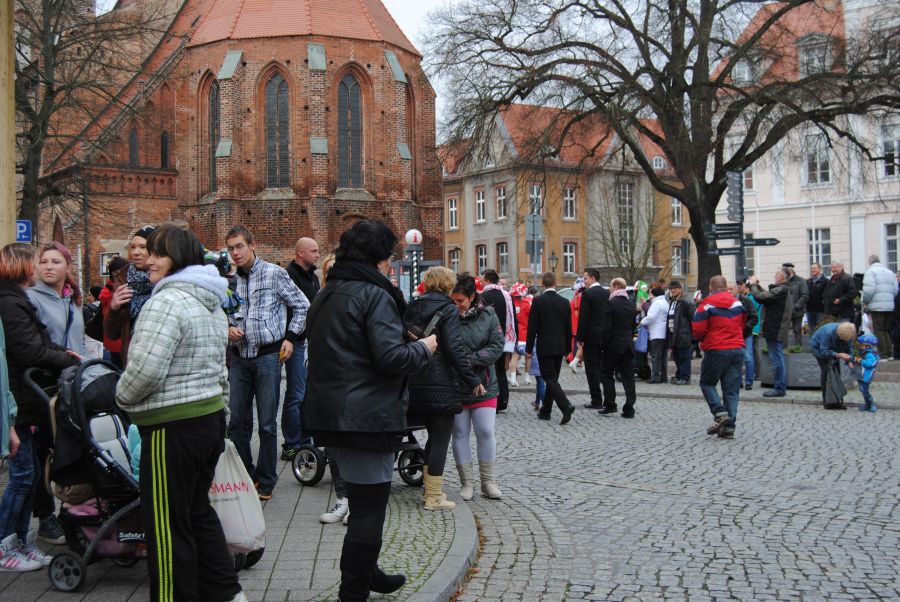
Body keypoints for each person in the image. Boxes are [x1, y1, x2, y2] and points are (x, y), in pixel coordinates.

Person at [303, 220, 437, 601]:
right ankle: (354, 590)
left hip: (332, 413)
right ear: (378, 258)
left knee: (363, 503)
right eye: (389, 256)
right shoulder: (374, 294)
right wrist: (424, 348)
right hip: (365, 417)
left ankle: (368, 572)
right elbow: (391, 358)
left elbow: (349, 348)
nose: (391, 263)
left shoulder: (328, 292)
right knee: (368, 510)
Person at [114, 227, 244, 602]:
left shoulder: (166, 301)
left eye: (158, 254)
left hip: (171, 427)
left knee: (167, 525)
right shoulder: (210, 301)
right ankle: (225, 593)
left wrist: (121, 398)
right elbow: (220, 371)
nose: (148, 260)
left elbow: (145, 371)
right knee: (196, 512)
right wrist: (221, 417)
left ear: (178, 259)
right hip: (207, 422)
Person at [0, 244, 79, 569]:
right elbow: (29, 350)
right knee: (22, 478)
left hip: (26, 400)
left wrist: (63, 354)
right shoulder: (11, 302)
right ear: (22, 266)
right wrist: (65, 359)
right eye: (36, 261)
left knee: (30, 477)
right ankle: (5, 545)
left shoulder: (16, 299)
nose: (39, 267)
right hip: (19, 401)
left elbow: (40, 342)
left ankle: (22, 541)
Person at [225, 225, 310, 501]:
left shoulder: (274, 273)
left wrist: (291, 338)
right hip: (240, 357)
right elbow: (223, 312)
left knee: (266, 424)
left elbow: (302, 305)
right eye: (231, 248)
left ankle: (266, 479)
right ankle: (246, 475)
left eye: (239, 246)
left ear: (252, 245)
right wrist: (228, 327)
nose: (235, 253)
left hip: (268, 356)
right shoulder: (230, 282)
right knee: (237, 422)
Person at [405, 267, 484, 510]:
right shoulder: (448, 309)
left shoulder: (413, 306)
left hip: (415, 378)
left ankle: (429, 490)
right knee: (440, 439)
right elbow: (453, 349)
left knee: (432, 436)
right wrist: (472, 380)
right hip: (440, 382)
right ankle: (433, 496)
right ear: (447, 284)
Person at [449, 275, 505, 500]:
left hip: (485, 383)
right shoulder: (448, 316)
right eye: (453, 300)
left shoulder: (488, 315)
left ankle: (488, 481)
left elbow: (497, 346)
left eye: (460, 301)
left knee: (485, 431)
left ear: (472, 297)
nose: (456, 305)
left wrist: (469, 359)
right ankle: (467, 482)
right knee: (460, 433)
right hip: (456, 384)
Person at [281, 237, 321, 461]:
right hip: (295, 341)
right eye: (313, 251)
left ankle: (306, 441)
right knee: (296, 394)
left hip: (310, 342)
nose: (317, 254)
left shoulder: (313, 278)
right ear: (300, 253)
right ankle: (291, 444)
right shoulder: (289, 276)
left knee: (307, 394)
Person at [692, 276, 747, 439]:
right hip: (737, 348)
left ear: (711, 287)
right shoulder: (737, 304)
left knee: (707, 383)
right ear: (725, 287)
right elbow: (742, 324)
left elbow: (698, 329)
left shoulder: (706, 304)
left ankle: (720, 412)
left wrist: (702, 340)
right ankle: (729, 428)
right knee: (731, 390)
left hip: (716, 348)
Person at [526, 272, 576, 425]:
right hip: (560, 346)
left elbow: (532, 327)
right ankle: (546, 411)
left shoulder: (538, 301)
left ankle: (565, 406)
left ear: (543, 284)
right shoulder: (564, 302)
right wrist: (568, 348)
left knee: (549, 378)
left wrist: (529, 348)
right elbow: (568, 327)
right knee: (552, 379)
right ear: (555, 283)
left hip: (545, 346)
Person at [105, 225, 157, 367]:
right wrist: (114, 308)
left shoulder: (165, 279)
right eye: (133, 247)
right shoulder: (123, 277)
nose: (136, 252)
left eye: (142, 247)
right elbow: (112, 333)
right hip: (132, 360)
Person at [27, 242, 85, 356]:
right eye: (43, 262)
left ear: (68, 267)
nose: (49, 267)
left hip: (75, 366)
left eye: (56, 262)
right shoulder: (30, 298)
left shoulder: (73, 300)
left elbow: (80, 343)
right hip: (48, 365)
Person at [749, 268, 794, 397]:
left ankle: (779, 388)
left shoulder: (782, 289)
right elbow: (766, 295)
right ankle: (779, 387)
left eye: (777, 274)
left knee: (777, 359)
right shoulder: (782, 289)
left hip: (776, 328)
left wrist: (753, 285)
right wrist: (757, 286)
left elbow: (761, 297)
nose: (775, 276)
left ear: (782, 277)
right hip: (775, 328)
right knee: (777, 358)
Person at [600, 278, 637, 418]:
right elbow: (633, 327)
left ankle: (610, 404)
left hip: (613, 345)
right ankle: (629, 408)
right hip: (628, 345)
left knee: (606, 373)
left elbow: (606, 328)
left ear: (616, 286)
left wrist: (603, 345)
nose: (609, 289)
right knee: (628, 377)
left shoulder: (610, 304)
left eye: (610, 286)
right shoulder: (631, 304)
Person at [480, 269, 514, 410]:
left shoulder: (482, 297)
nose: (481, 282)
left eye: (482, 280)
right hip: (505, 338)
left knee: (489, 370)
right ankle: (503, 400)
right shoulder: (507, 296)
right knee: (501, 371)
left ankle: (492, 400)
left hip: (487, 340)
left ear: (487, 280)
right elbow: (514, 318)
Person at [576, 268, 610, 410]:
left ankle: (596, 399)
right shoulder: (607, 293)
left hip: (591, 336)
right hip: (605, 335)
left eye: (585, 278)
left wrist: (580, 337)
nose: (584, 281)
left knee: (591, 369)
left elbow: (584, 318)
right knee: (604, 368)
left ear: (593, 278)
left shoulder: (588, 293)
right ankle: (608, 399)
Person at [810, 321, 856, 410]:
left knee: (836, 373)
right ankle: (827, 401)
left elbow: (849, 348)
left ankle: (836, 401)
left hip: (834, 350)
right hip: (819, 349)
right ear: (839, 336)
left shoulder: (850, 333)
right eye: (844, 339)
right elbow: (824, 351)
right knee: (826, 372)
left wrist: (850, 361)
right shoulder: (828, 333)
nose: (847, 340)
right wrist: (838, 355)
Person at [862, 255, 898, 360]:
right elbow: (895, 289)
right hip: (889, 305)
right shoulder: (890, 272)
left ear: (870, 262)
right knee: (886, 329)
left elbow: (869, 290)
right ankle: (890, 353)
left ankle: (883, 354)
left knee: (879, 330)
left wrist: (865, 301)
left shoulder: (870, 272)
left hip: (876, 305)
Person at [666, 281, 694, 385]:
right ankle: (679, 375)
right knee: (677, 356)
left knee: (684, 357)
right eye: (671, 288)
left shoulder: (686, 302)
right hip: (674, 334)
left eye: (675, 288)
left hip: (683, 334)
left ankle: (685, 377)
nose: (672, 290)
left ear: (680, 289)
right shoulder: (673, 301)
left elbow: (693, 319)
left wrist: (692, 335)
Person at [734, 279, 760, 390]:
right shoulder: (730, 301)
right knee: (737, 358)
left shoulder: (747, 300)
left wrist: (745, 327)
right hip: (735, 334)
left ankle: (749, 381)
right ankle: (739, 381)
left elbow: (754, 317)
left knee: (748, 357)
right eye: (737, 284)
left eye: (740, 285)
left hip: (746, 333)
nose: (738, 286)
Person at [641, 286, 669, 383]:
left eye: (650, 293)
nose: (649, 296)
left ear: (654, 294)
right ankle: (663, 377)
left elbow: (651, 317)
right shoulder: (665, 302)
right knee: (663, 357)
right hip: (664, 333)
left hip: (656, 333)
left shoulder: (656, 303)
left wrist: (642, 322)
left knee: (656, 356)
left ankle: (655, 377)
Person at [509, 282, 531, 385]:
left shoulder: (510, 304)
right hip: (525, 334)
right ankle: (527, 377)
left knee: (514, 357)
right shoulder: (526, 304)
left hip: (514, 334)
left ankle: (513, 378)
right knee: (528, 356)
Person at [782, 263, 809, 347]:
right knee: (783, 330)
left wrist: (796, 306)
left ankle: (798, 348)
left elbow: (805, 295)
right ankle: (784, 348)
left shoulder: (801, 281)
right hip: (785, 311)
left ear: (791, 271)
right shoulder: (783, 281)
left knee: (797, 330)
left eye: (785, 271)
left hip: (797, 311)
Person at [853, 334, 879, 412]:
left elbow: (870, 364)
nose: (859, 346)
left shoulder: (870, 354)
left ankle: (870, 404)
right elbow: (855, 354)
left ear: (868, 346)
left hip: (866, 375)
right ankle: (868, 405)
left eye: (861, 345)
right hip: (861, 375)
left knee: (864, 390)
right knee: (862, 390)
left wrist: (861, 360)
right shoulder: (863, 353)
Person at [806, 263, 828, 333]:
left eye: (814, 268)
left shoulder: (826, 281)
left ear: (820, 269)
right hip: (809, 310)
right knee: (812, 330)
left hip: (821, 310)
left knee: (821, 330)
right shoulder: (808, 281)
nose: (812, 270)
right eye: (811, 268)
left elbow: (828, 295)